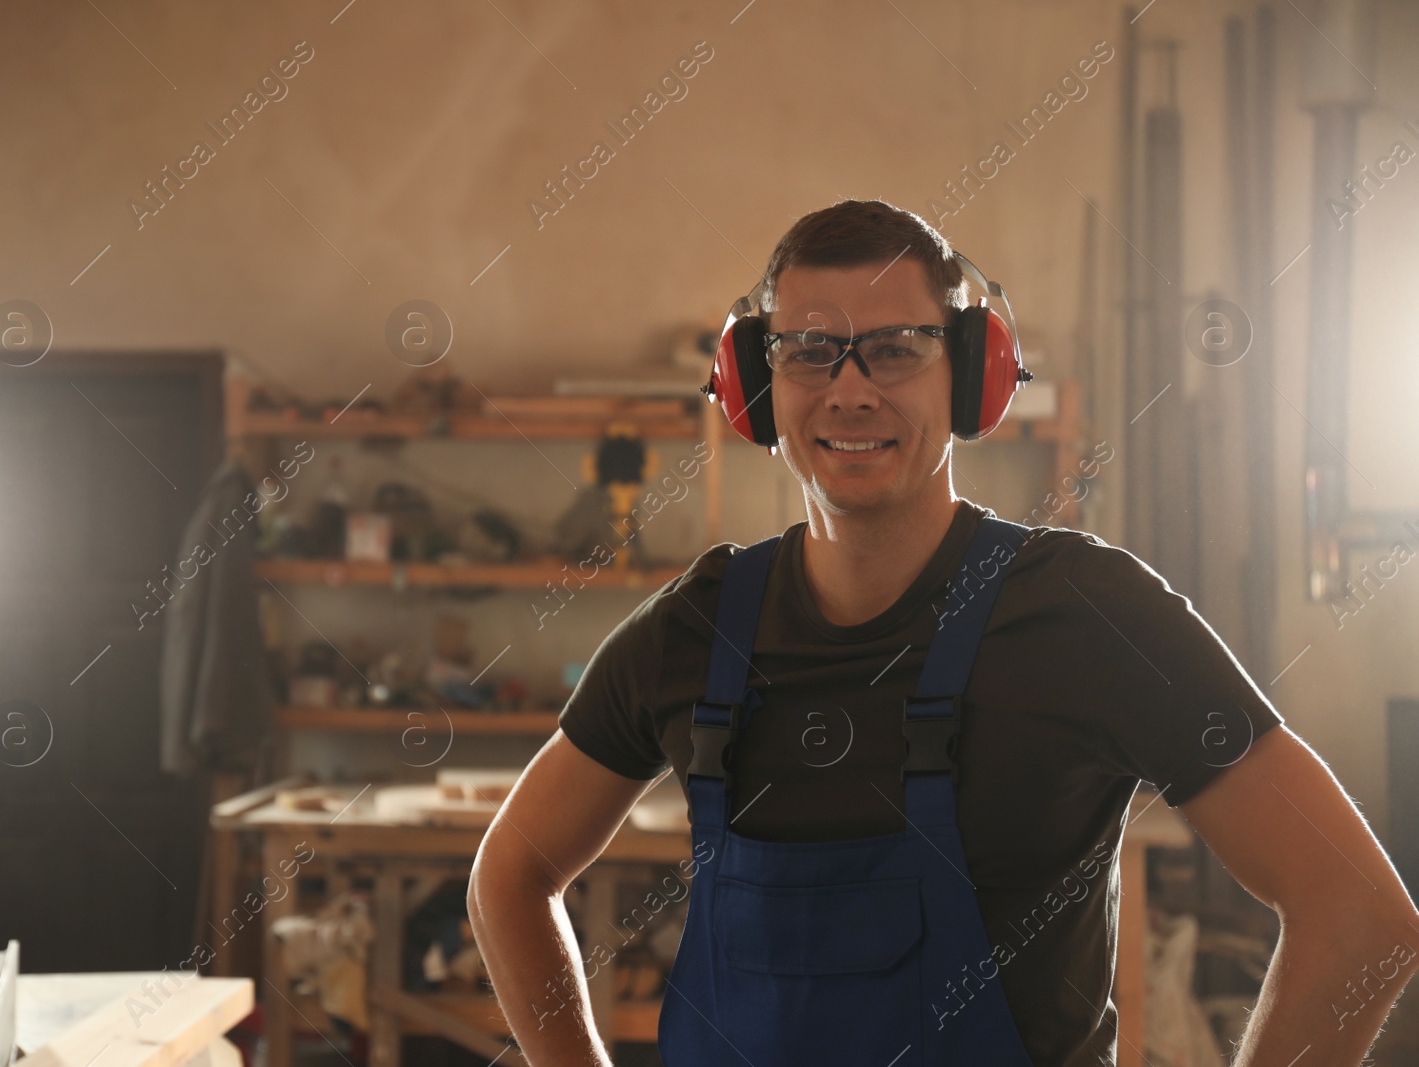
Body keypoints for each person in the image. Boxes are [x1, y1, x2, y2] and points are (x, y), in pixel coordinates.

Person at [467, 200, 1419, 1066]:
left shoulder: (1086, 614)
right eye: (808, 351)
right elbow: (510, 874)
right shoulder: (695, 627)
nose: (848, 390)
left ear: (973, 373)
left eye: (894, 348)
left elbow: (1361, 917)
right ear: (757, 387)